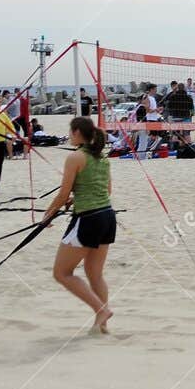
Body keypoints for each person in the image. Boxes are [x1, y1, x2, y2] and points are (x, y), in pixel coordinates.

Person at [38, 116, 115, 334]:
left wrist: (48, 214)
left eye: (71, 132)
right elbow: (106, 190)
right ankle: (102, 324)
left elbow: (63, 192)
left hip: (88, 218)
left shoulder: (75, 157)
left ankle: (101, 310)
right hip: (107, 216)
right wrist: (76, 198)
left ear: (78, 133)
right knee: (95, 274)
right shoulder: (103, 158)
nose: (70, 136)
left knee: (62, 273)